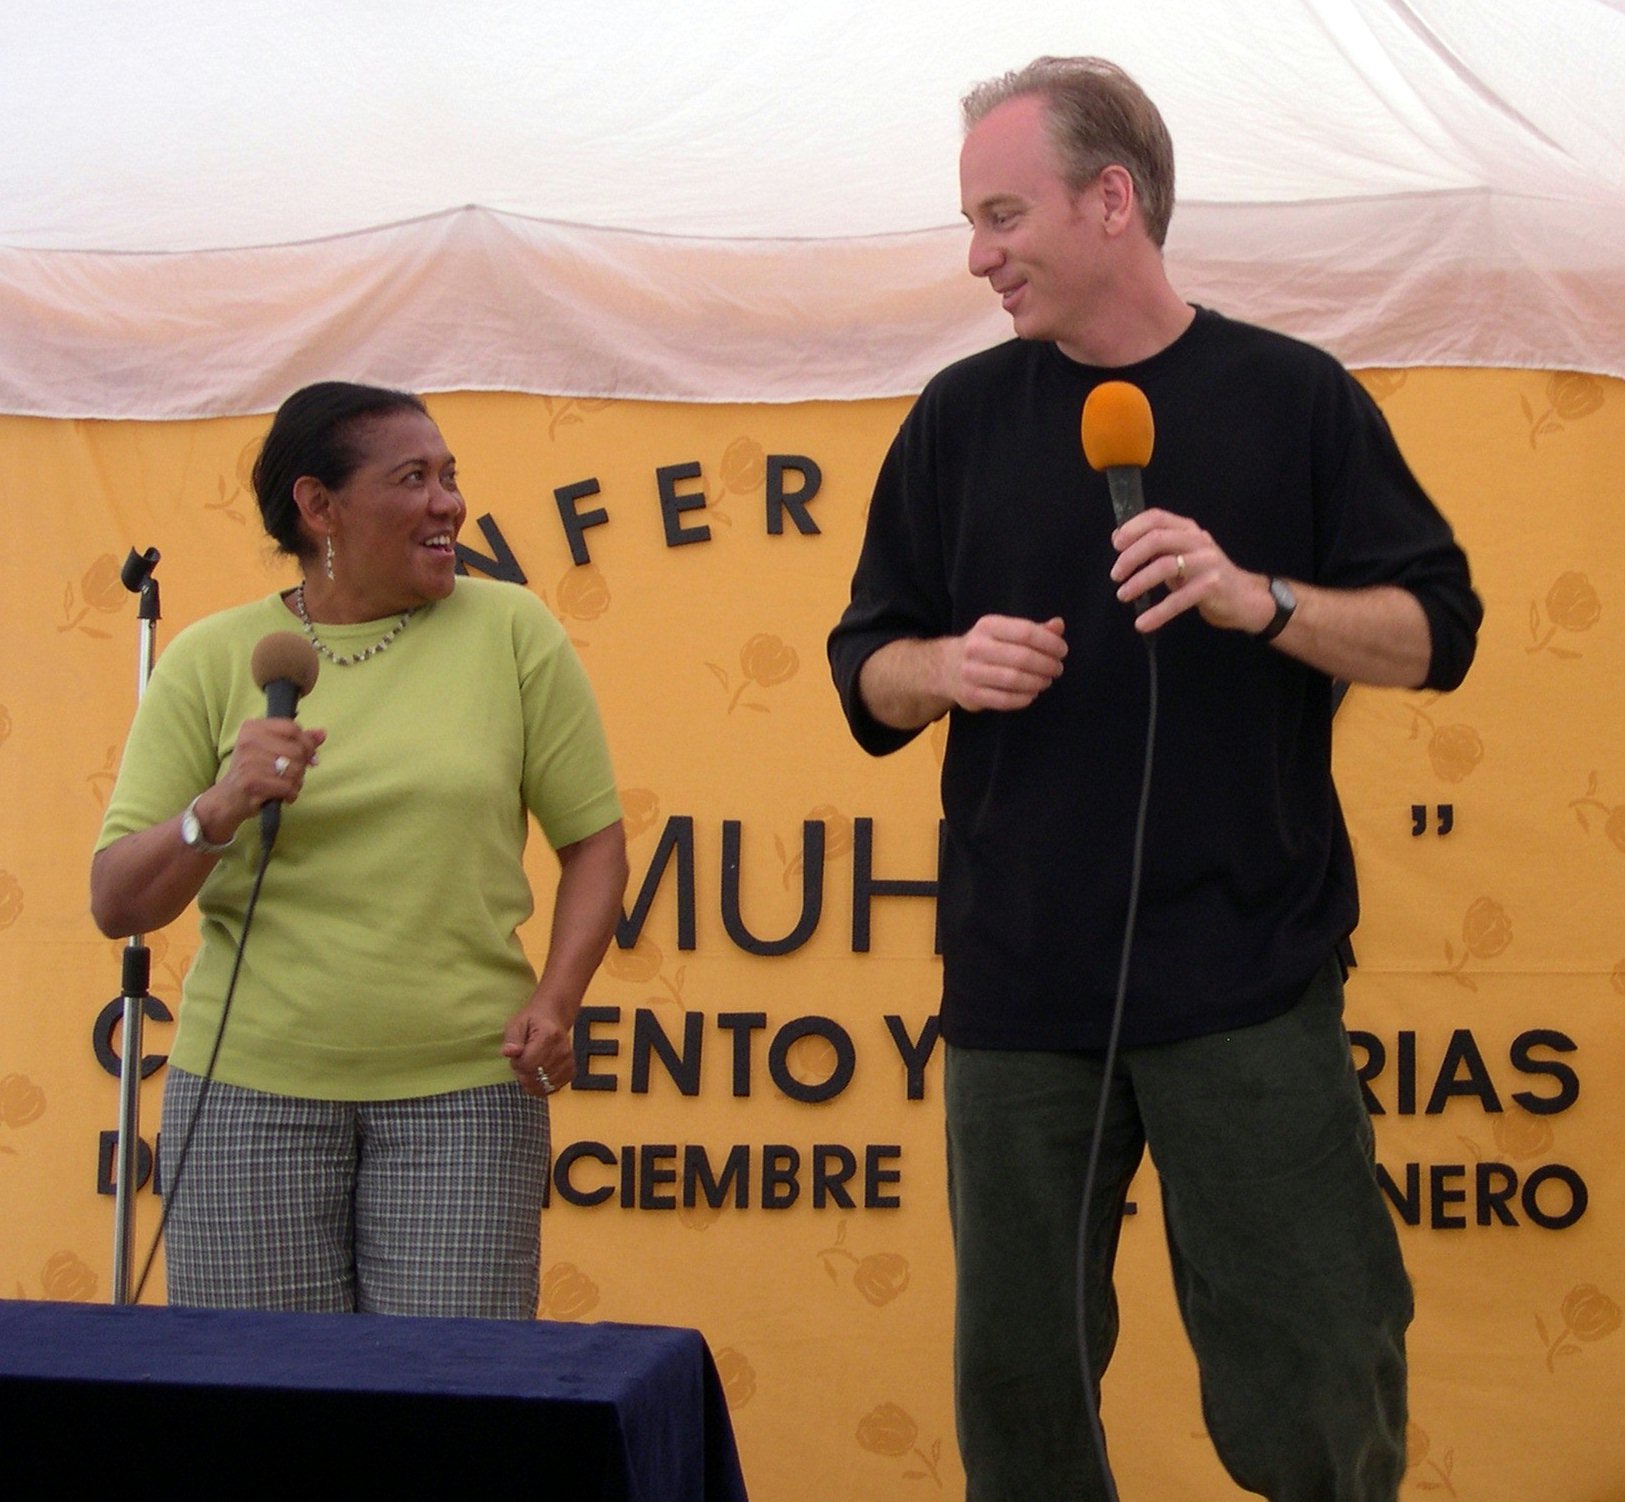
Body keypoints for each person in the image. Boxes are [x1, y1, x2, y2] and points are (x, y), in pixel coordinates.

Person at [827, 57, 1481, 1502]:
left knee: (1318, 1375)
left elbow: (1437, 630)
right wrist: (944, 665)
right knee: (1019, 1396)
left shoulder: (1293, 398)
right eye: (970, 222)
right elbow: (863, 664)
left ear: (1110, 198)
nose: (978, 256)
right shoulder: (954, 417)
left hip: (1247, 973)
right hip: (1017, 987)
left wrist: (1263, 600)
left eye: (1002, 216)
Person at [92, 382, 628, 1318]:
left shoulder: (512, 631)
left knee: (446, 1393)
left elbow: (594, 842)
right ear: (319, 506)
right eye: (413, 478)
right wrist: (219, 806)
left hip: (466, 1095)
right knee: (261, 1396)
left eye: (449, 476)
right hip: (246, 1096)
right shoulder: (212, 658)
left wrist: (557, 998)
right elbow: (117, 900)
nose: (448, 503)